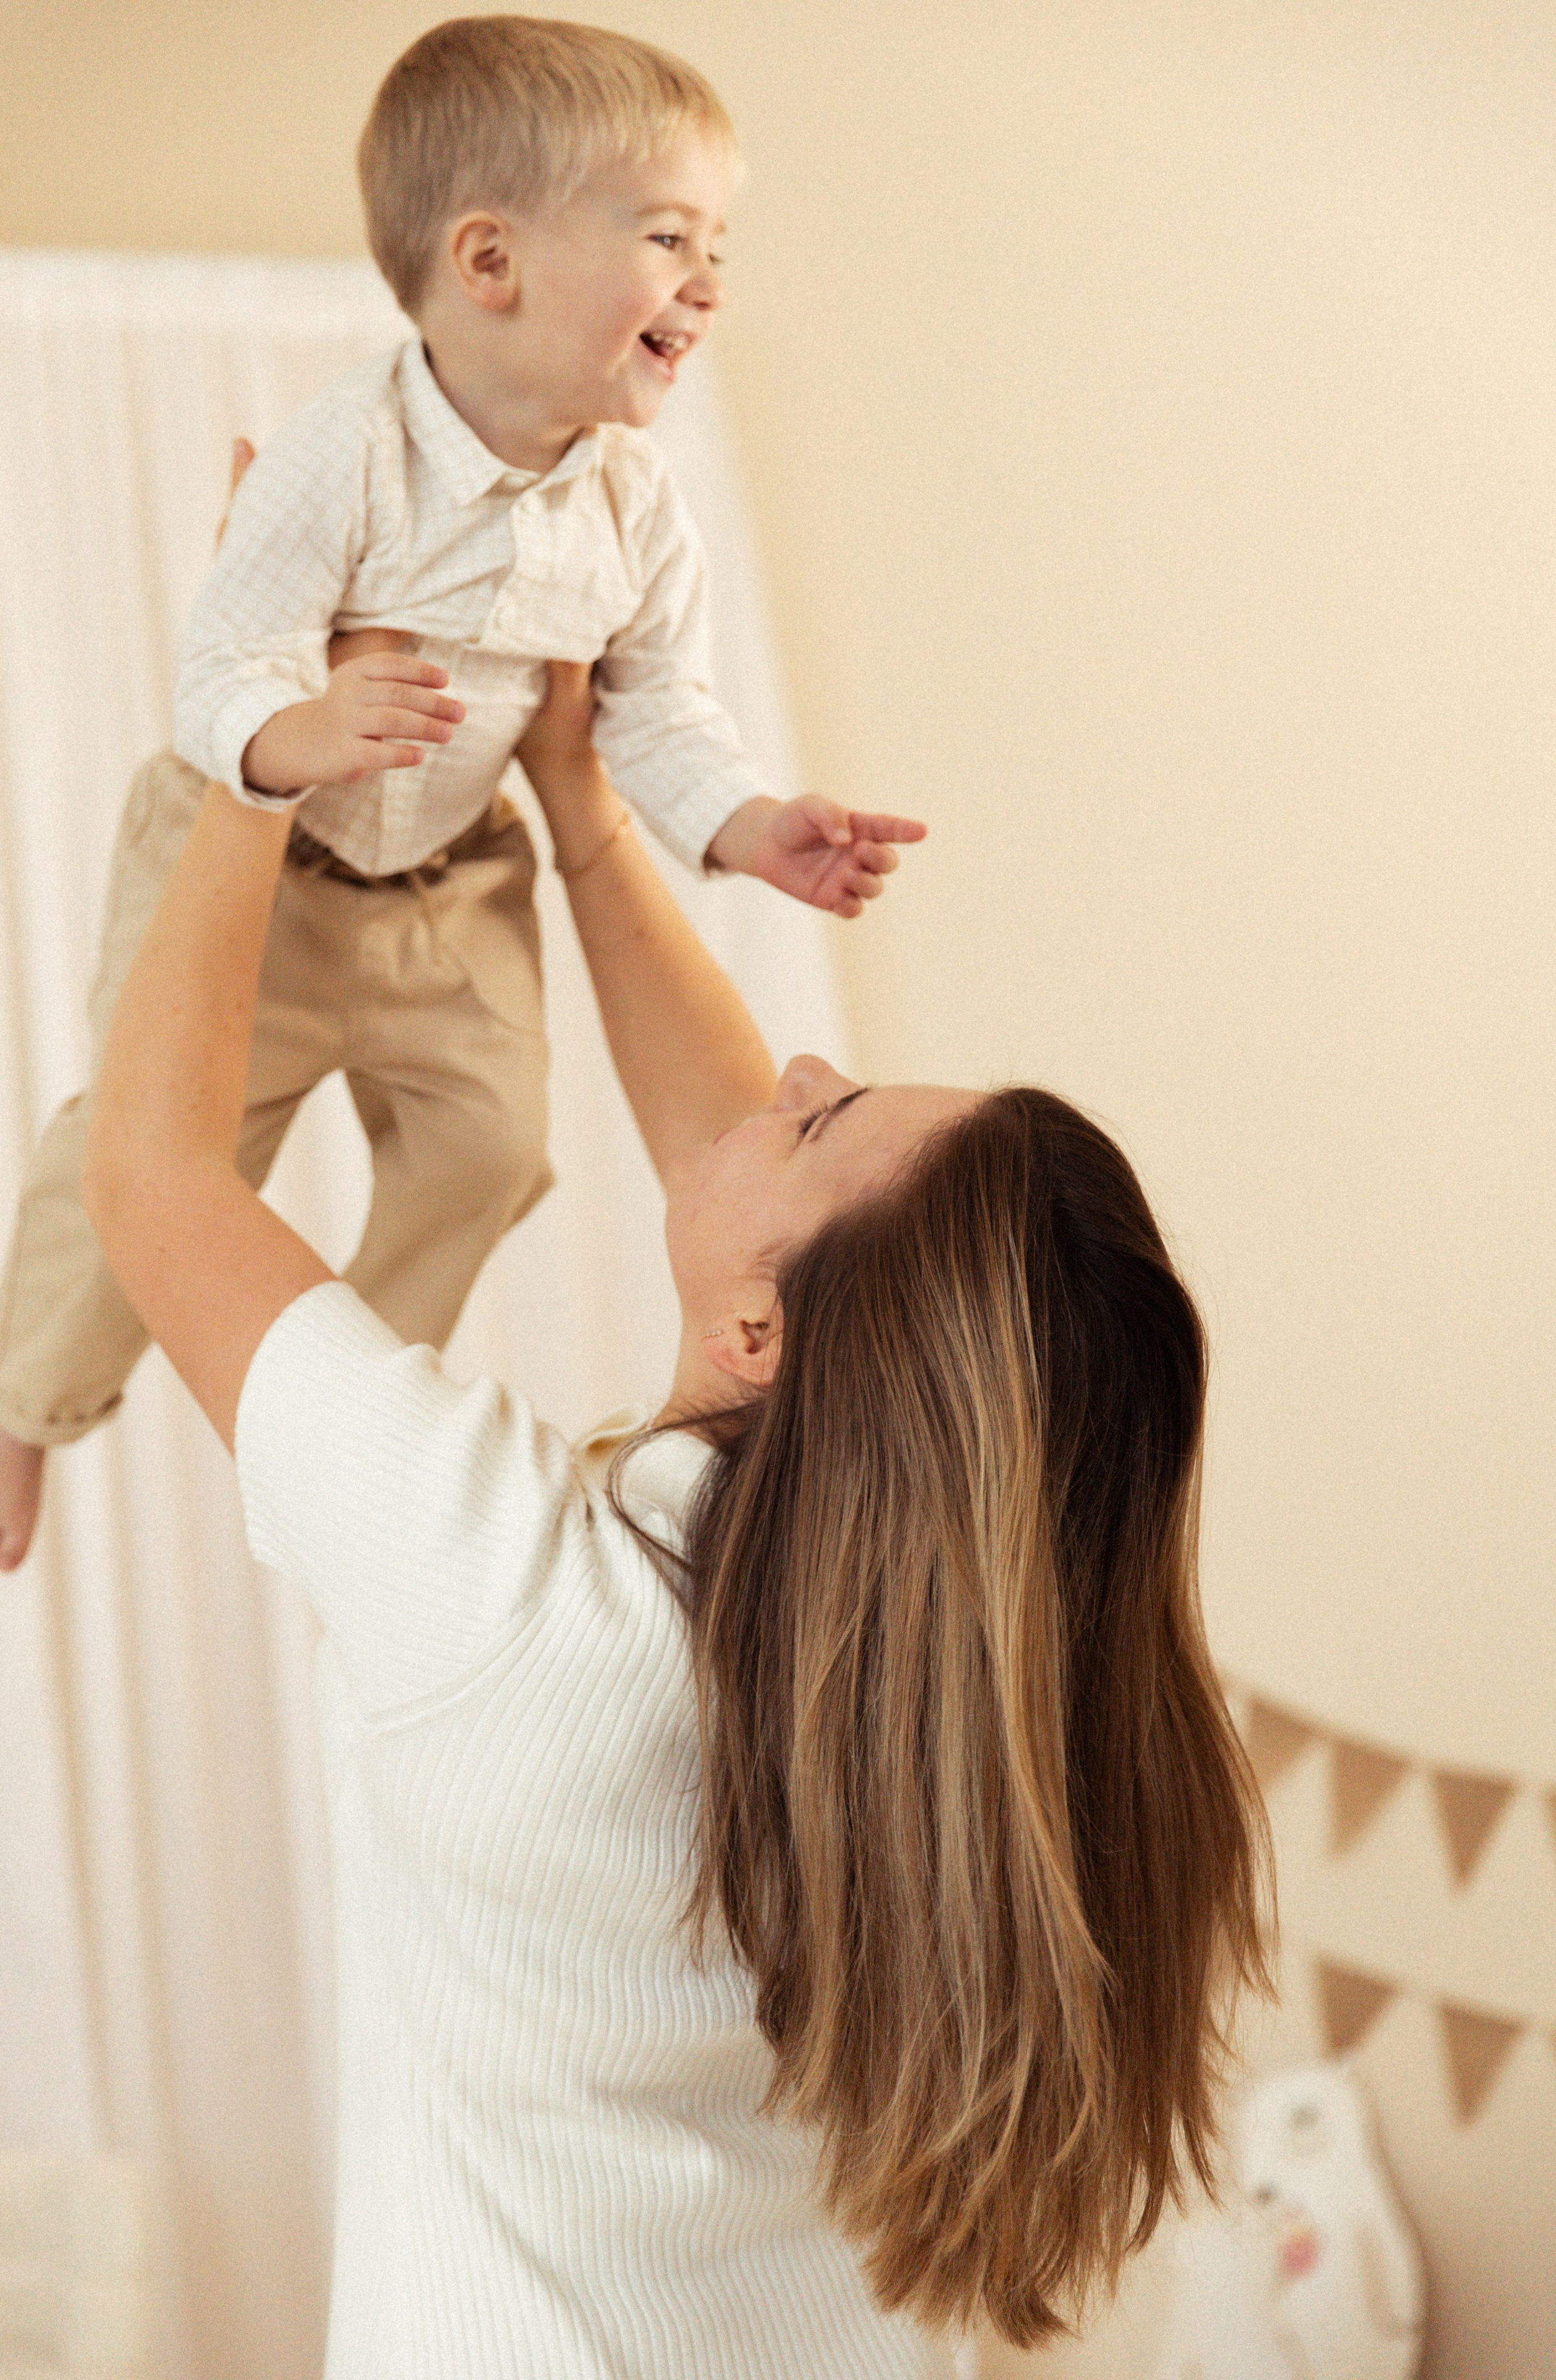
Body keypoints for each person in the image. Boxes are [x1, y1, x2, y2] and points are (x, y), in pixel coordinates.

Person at [79, 655, 1272, 2374]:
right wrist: (578, 799)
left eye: (822, 1115)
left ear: (762, 1341)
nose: (794, 1067)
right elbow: (756, 1186)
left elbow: (155, 1179)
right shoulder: (1021, 1711)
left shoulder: (507, 1592)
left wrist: (255, 752)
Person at [0, 14, 922, 1571]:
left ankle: (329, 1415)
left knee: (489, 1151)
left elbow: (653, 712)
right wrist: (303, 726)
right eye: (667, 237)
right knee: (144, 1150)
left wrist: (756, 830)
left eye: (717, 246)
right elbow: (222, 665)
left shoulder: (635, 506)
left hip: (451, 878)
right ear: (490, 263)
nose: (707, 281)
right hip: (266, 880)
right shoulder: (343, 456)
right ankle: (18, 1401)